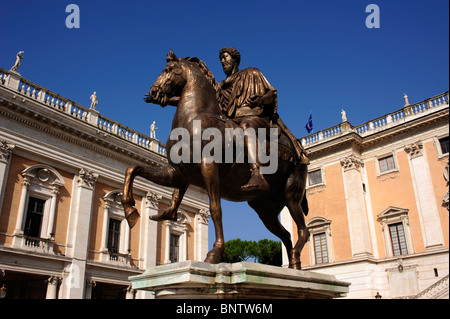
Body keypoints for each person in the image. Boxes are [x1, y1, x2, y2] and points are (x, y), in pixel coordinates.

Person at [217, 47, 308, 192]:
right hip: (232, 120)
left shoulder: (252, 73)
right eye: (221, 58)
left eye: (225, 57)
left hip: (254, 118)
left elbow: (271, 94)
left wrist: (260, 99)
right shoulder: (221, 86)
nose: (222, 61)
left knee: (246, 126)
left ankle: (256, 173)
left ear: (234, 59)